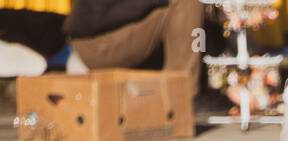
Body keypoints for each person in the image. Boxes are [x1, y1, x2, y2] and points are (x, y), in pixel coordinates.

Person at [64, 0, 203, 93]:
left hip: (98, 43)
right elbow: (95, 18)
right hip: (96, 46)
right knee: (189, 2)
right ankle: (180, 98)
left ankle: (178, 94)